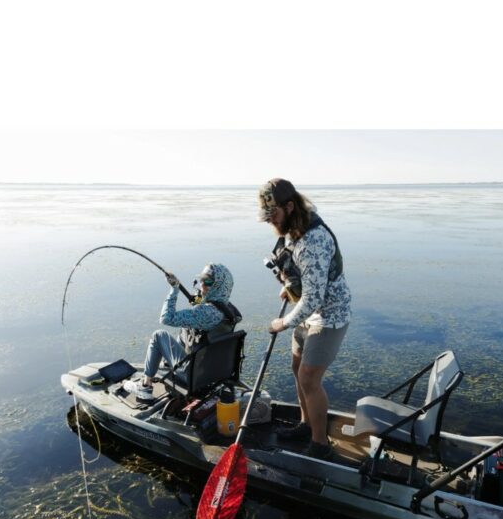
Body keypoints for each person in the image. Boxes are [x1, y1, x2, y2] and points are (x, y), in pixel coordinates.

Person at [258, 178, 351, 460]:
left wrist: (282, 323)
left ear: (289, 206)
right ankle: (305, 424)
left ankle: (320, 444)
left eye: (273, 214)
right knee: (297, 368)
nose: (270, 221)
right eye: (267, 216)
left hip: (329, 315)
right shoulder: (293, 230)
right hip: (307, 313)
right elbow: (301, 275)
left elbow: (313, 298)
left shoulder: (313, 240)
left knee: (309, 379)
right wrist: (289, 287)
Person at [124, 262, 241, 402]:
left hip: (192, 376)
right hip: (213, 373)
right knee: (186, 327)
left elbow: (166, 318)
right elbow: (207, 311)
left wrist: (174, 289)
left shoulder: (204, 313)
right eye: (202, 280)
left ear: (219, 285)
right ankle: (168, 364)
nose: (202, 284)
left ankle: (145, 387)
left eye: (208, 282)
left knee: (159, 336)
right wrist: (199, 302)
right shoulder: (229, 310)